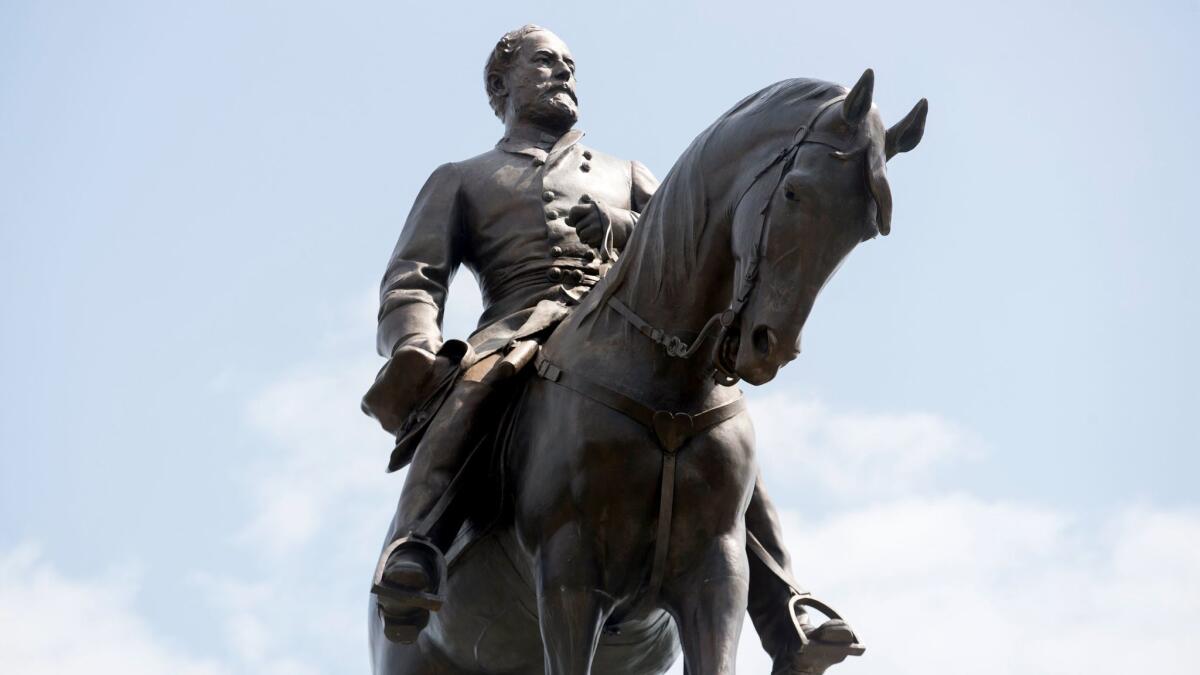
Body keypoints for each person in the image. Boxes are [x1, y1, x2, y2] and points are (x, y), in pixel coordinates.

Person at [363, 24, 854, 672]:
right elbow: (413, 276)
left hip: (626, 323)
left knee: (721, 417)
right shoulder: (466, 178)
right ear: (500, 84)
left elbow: (689, 237)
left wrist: (622, 224)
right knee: (476, 387)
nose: (563, 73)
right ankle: (418, 543)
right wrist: (416, 342)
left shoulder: (627, 175)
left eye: (569, 64)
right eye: (544, 63)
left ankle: (784, 602)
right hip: (522, 321)